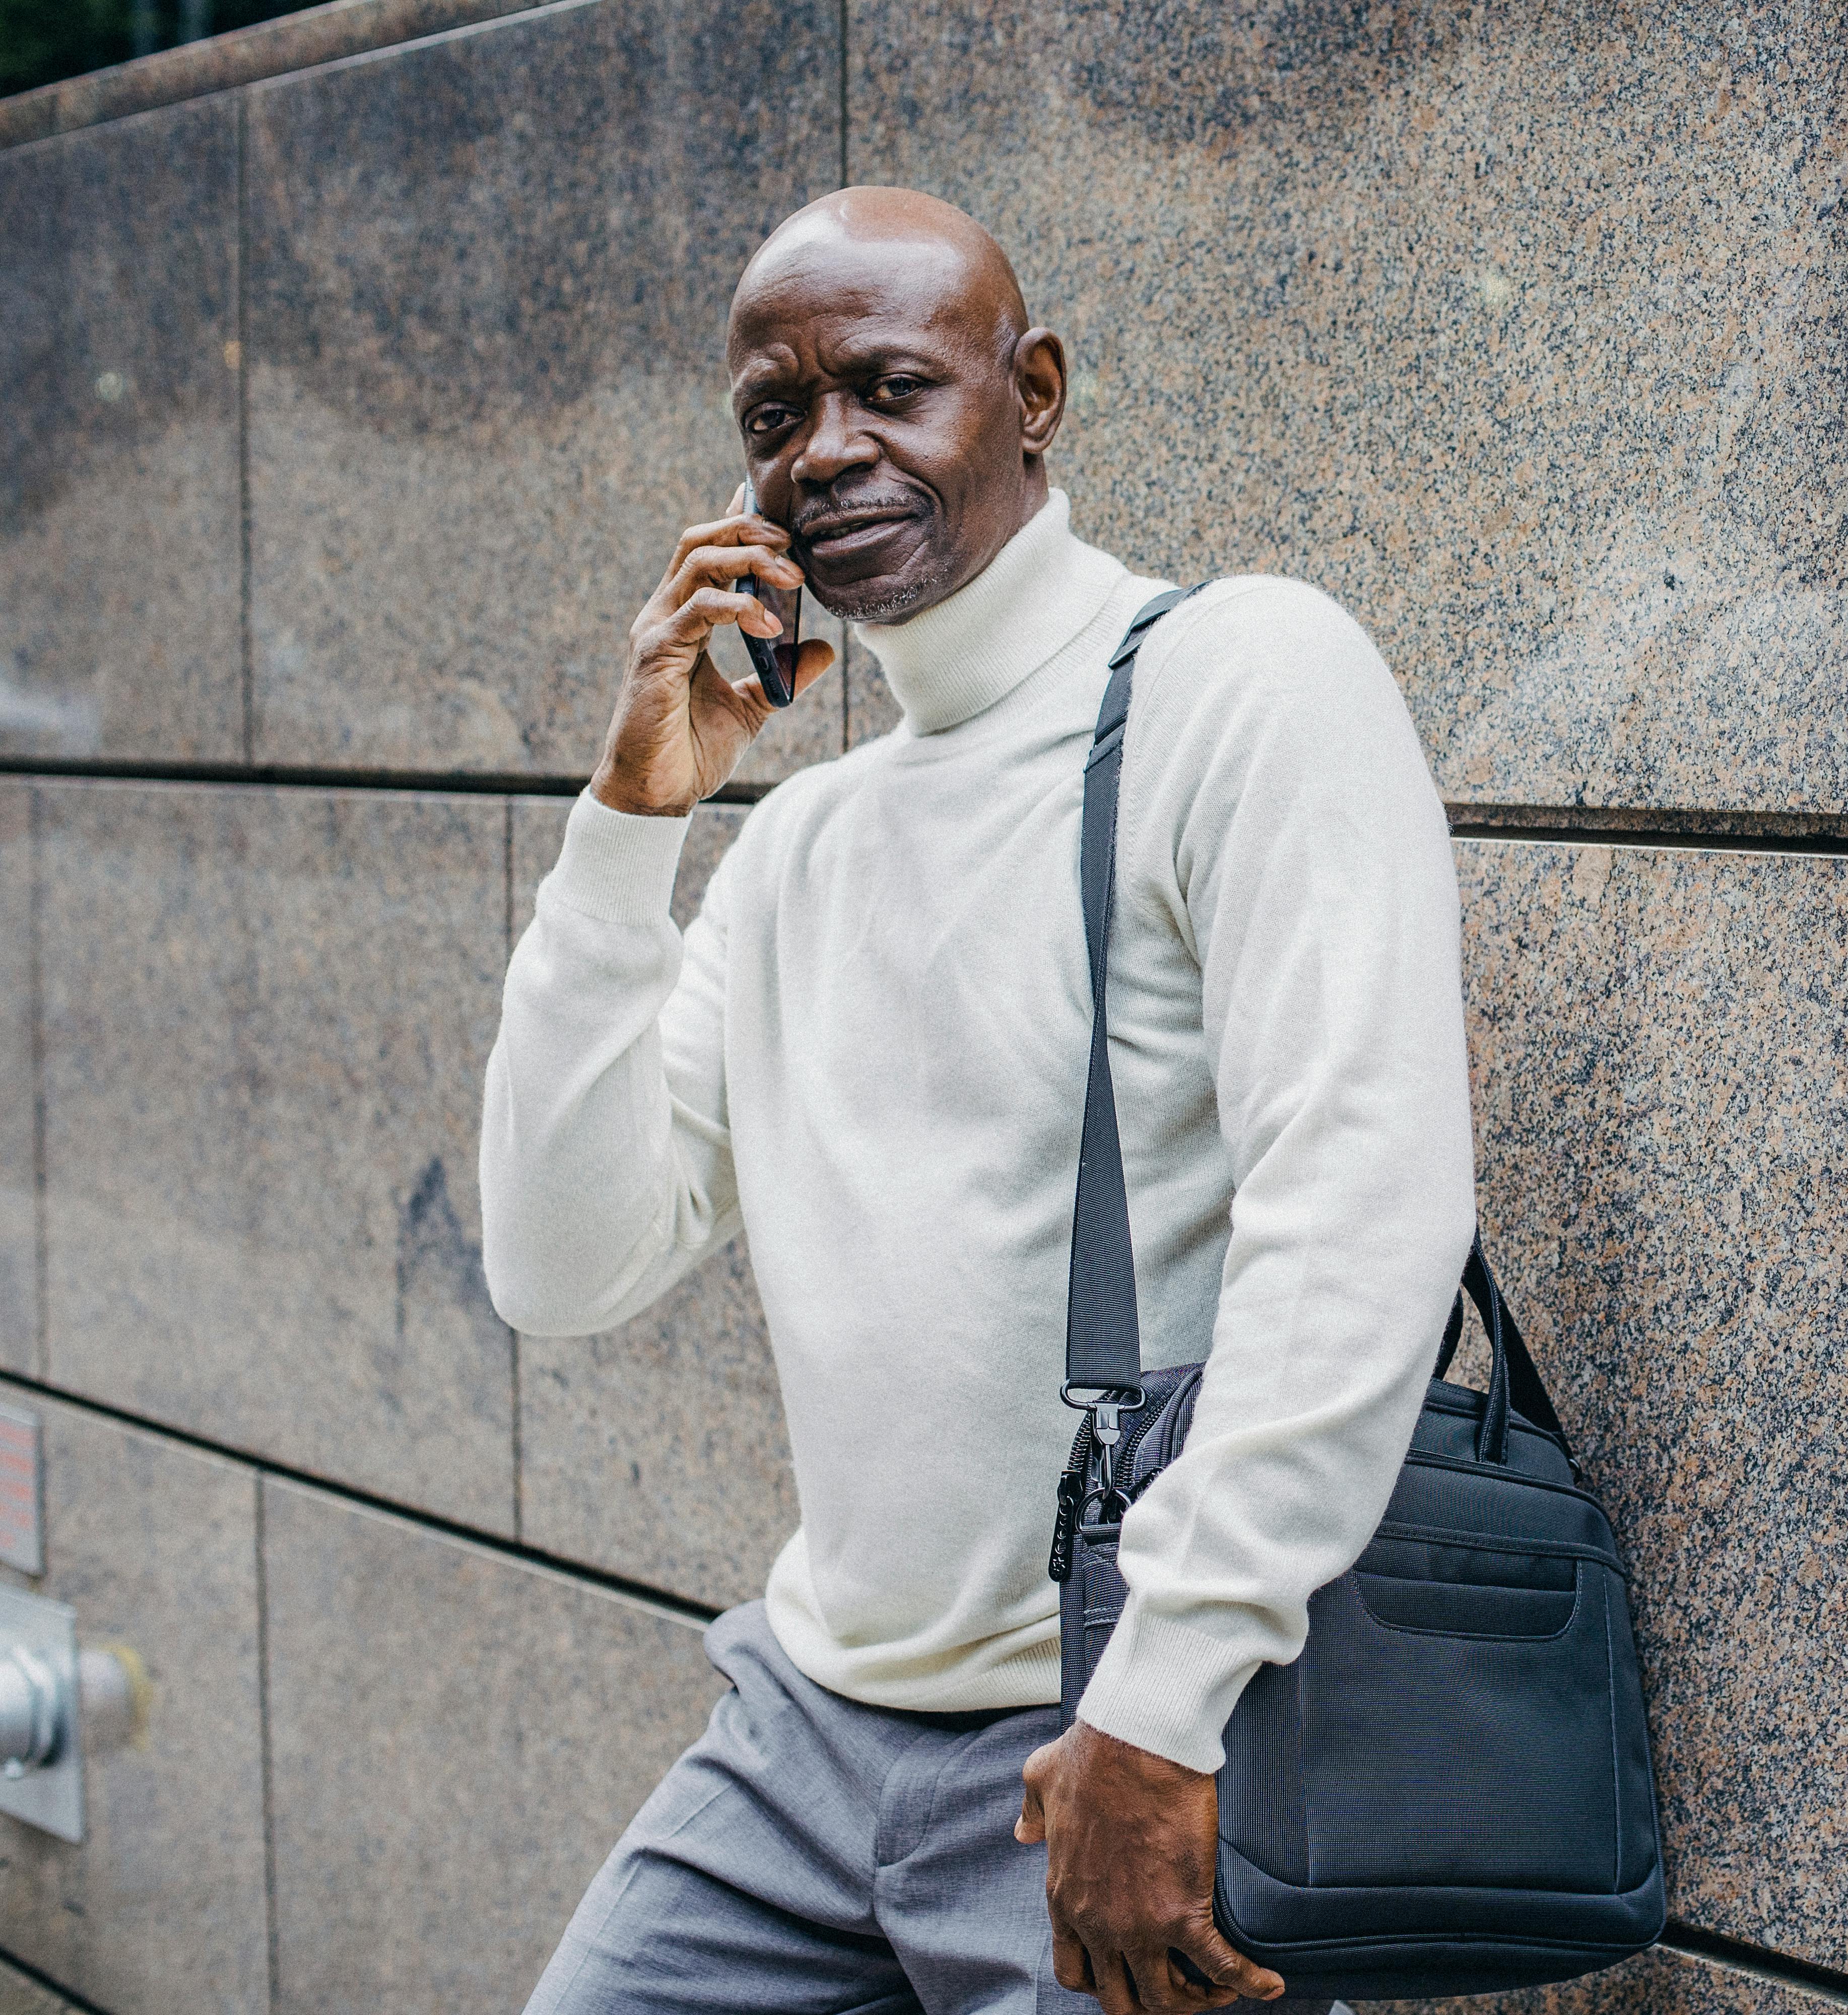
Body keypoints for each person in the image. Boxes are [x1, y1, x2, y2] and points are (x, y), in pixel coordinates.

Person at [481, 185, 1475, 2015]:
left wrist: (1164, 1713)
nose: (827, 454)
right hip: (796, 1741)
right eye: (776, 420)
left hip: (1091, 1747)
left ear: (1034, 393)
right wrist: (633, 829)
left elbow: (1367, 1209)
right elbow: (559, 1264)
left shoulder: (1236, 683)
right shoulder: (809, 844)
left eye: (888, 388)